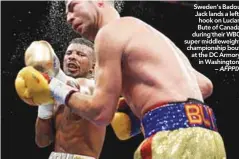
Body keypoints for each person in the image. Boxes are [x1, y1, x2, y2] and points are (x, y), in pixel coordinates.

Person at [16, 1, 226, 158]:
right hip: (210, 140)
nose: (68, 18)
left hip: (173, 140)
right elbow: (205, 86)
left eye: (72, 7)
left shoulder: (109, 34)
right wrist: (134, 114)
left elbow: (100, 113)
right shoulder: (151, 35)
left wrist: (52, 87)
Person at [35, 38, 106, 159]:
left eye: (80, 54)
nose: (72, 57)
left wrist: (56, 74)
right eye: (69, 53)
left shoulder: (93, 88)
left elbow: (78, 90)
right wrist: (45, 104)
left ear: (93, 67)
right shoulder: (57, 92)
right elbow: (42, 142)